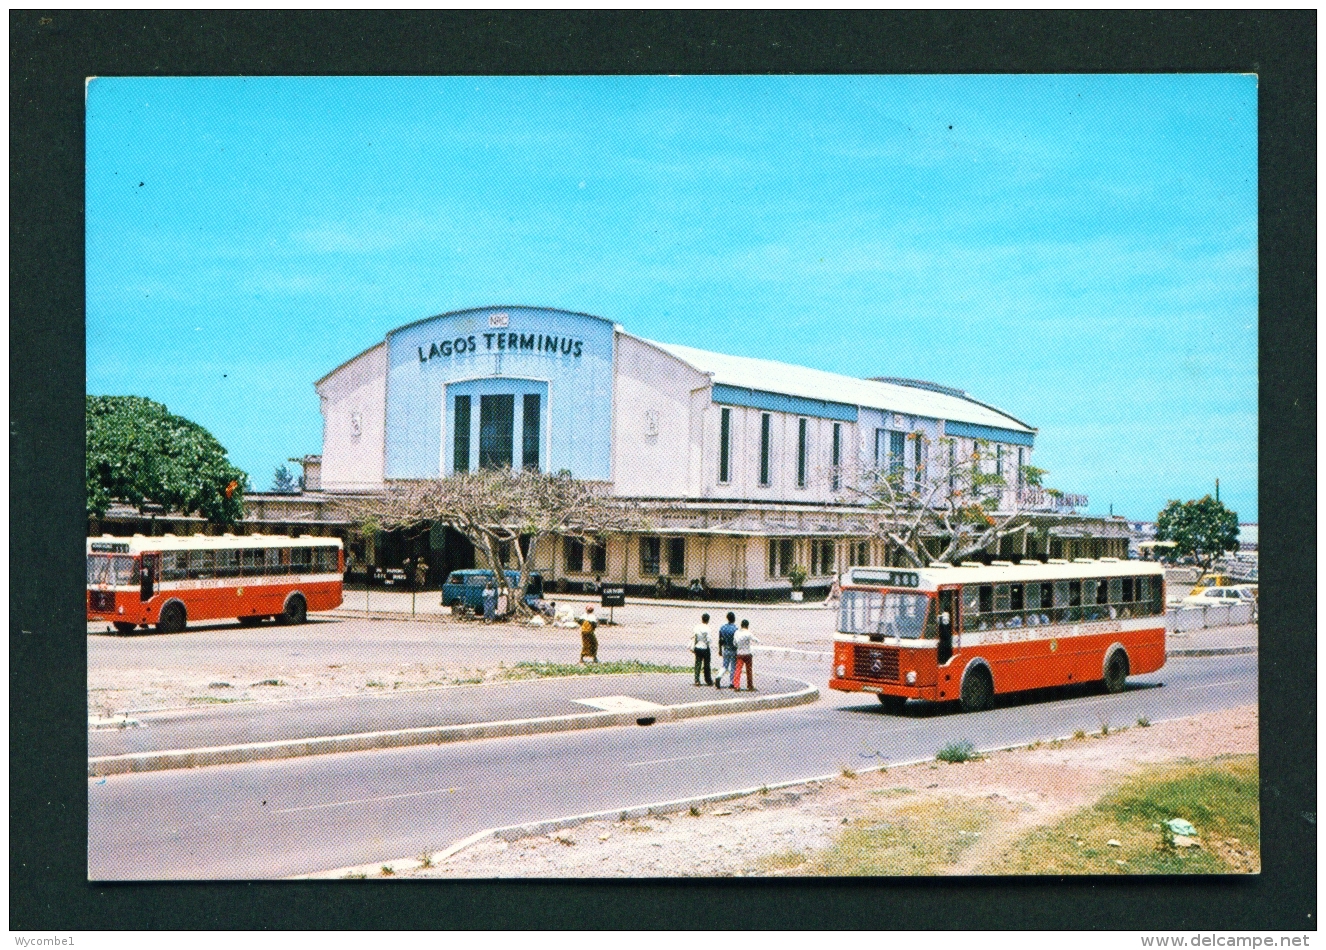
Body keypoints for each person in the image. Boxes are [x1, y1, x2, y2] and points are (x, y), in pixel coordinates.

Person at [732, 619, 758, 691]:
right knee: (749, 670)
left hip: (739, 653)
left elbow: (734, 643)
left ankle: (736, 685)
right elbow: (755, 640)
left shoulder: (737, 633)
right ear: (747, 626)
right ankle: (750, 685)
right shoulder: (748, 633)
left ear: (741, 625)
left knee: (738, 669)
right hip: (747, 653)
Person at [715, 612, 738, 689]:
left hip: (725, 648)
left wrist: (720, 649)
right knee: (733, 666)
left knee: (725, 666)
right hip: (733, 649)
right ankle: (732, 682)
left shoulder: (722, 628)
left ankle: (719, 676)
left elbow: (720, 640)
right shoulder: (735, 628)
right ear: (734, 619)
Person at [691, 613, 713, 686]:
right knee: (706, 664)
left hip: (697, 646)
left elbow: (694, 636)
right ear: (708, 620)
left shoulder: (697, 627)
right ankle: (708, 680)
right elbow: (709, 639)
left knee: (698, 663)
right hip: (705, 647)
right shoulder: (708, 628)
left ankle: (697, 680)